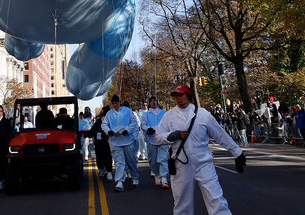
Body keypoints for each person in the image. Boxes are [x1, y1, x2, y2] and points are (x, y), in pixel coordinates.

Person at [157, 84, 245, 215]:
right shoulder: (169, 116)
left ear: (188, 96)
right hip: (181, 165)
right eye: (176, 96)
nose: (178, 98)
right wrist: (173, 135)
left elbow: (220, 134)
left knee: (216, 199)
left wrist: (237, 153)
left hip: (204, 163)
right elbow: (158, 137)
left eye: (181, 95)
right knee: (182, 204)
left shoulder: (203, 114)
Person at [101, 94, 139, 191]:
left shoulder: (127, 111)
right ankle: (119, 182)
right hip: (115, 141)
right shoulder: (109, 114)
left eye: (116, 103)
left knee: (131, 161)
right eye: (113, 103)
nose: (115, 105)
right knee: (119, 162)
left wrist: (128, 130)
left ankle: (135, 178)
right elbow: (104, 124)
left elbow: (134, 122)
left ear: (119, 102)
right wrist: (108, 131)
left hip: (127, 140)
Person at [140, 95, 170, 188]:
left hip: (162, 139)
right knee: (153, 160)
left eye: (155, 101)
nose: (154, 102)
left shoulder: (164, 113)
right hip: (151, 138)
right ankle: (157, 175)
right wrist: (148, 129)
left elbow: (168, 124)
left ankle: (164, 179)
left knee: (163, 159)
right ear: (149, 103)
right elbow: (143, 125)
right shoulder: (145, 114)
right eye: (152, 101)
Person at [89, 107, 113, 180]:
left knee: (108, 156)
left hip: (107, 141)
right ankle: (101, 169)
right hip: (99, 142)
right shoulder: (98, 121)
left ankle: (109, 171)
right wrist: (87, 134)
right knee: (99, 156)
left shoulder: (111, 120)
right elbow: (92, 130)